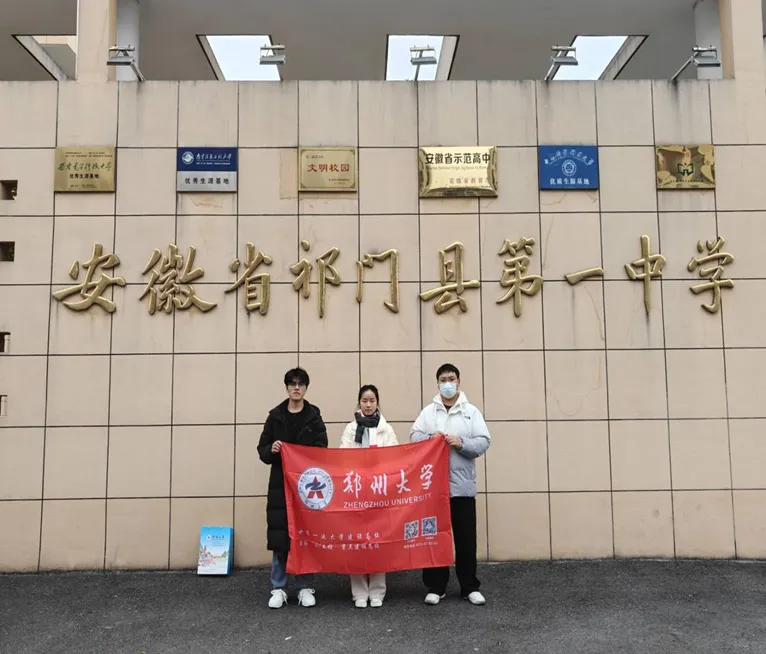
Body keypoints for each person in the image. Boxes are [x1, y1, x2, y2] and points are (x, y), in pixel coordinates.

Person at [411, 363, 490, 606]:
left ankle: (469, 587)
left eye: (451, 379)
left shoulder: (470, 411)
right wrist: (430, 439)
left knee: (465, 540)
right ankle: (436, 586)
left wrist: (461, 442)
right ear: (437, 384)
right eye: (443, 379)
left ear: (458, 381)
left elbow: (483, 441)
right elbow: (414, 437)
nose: (448, 383)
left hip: (462, 487)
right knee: (434, 538)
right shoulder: (429, 412)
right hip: (434, 490)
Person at [258, 367, 328, 609]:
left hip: (307, 486)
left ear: (306, 387)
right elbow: (262, 450)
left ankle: (304, 586)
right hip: (280, 484)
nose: (296, 388)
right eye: (292, 384)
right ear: (286, 387)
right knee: (281, 537)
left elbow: (322, 447)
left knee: (305, 536)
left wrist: (304, 454)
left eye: (301, 384)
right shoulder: (275, 416)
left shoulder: (314, 416)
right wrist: (272, 449)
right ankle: (278, 587)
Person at [339, 385, 399, 609]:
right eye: (364, 400)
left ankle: (377, 591)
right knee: (356, 541)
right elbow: (342, 457)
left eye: (372, 400)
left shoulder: (386, 429)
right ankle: (358, 592)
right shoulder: (350, 429)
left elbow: (395, 457)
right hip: (356, 491)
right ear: (359, 403)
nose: (368, 404)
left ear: (377, 402)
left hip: (379, 492)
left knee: (378, 541)